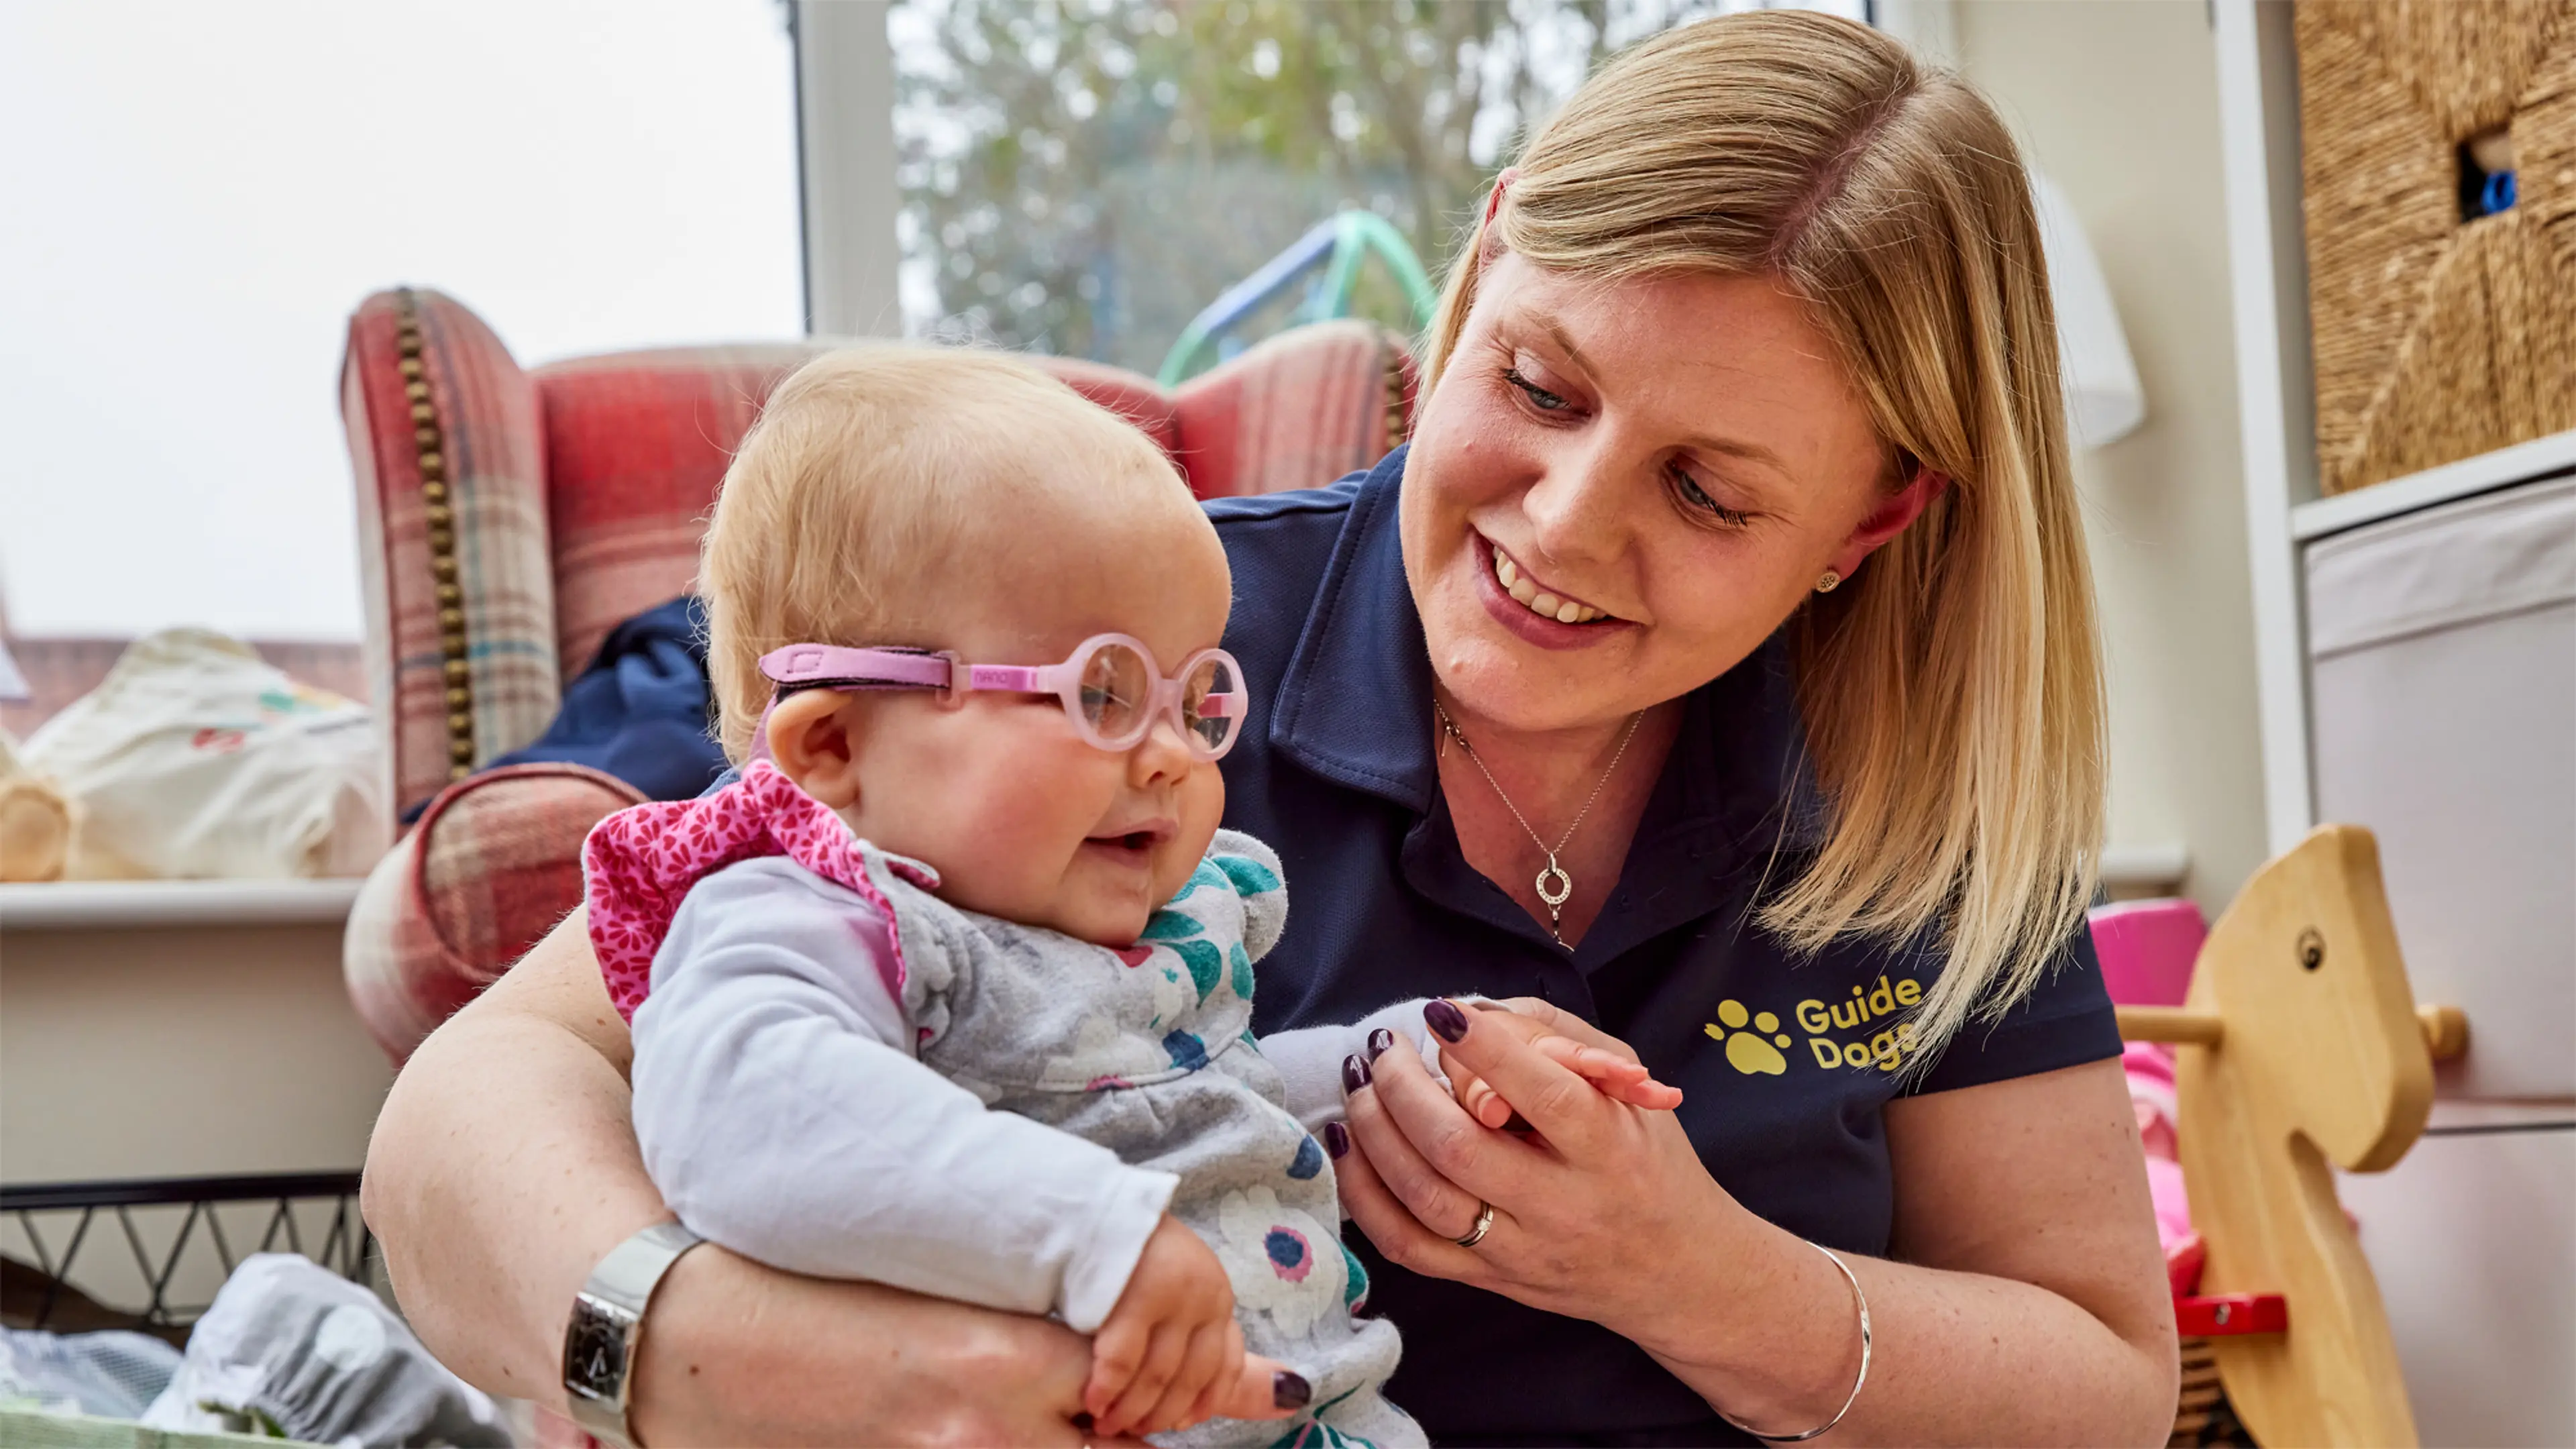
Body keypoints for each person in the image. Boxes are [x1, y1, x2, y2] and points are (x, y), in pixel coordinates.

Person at [362, 11, 2178, 1445]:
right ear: (1480, 269)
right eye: (1538, 386)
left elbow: (2104, 1384)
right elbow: (460, 1127)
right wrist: (697, 1353)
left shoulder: (1923, 801)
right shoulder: (1118, 655)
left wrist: (1697, 1278)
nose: (1560, 526)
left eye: (1706, 493)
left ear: (1872, 521)